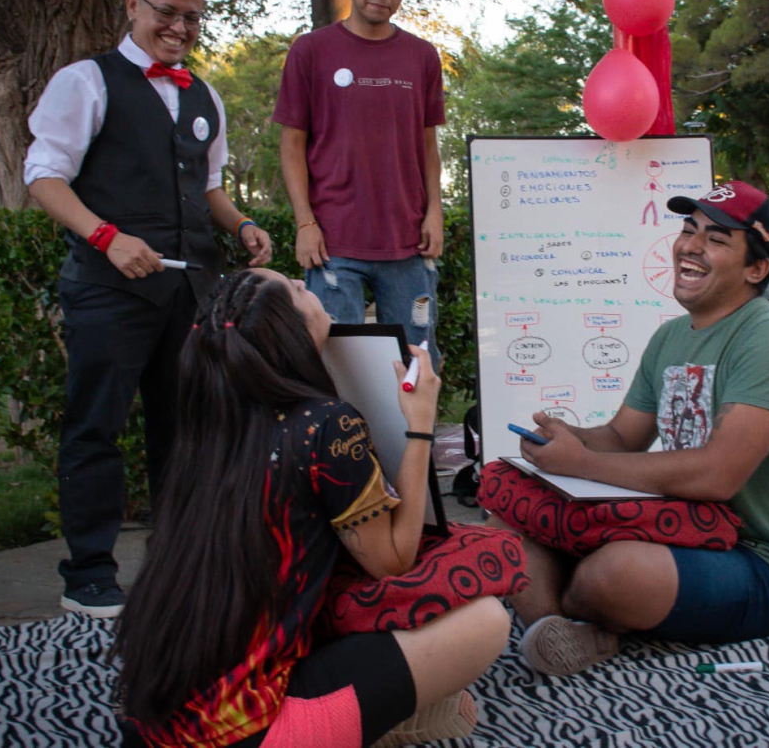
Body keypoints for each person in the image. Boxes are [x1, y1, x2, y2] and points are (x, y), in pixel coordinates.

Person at [113, 269, 509, 748]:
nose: (308, 287)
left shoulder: (209, 422)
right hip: (249, 733)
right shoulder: (323, 425)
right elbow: (393, 560)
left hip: (152, 722)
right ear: (290, 330)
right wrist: (420, 423)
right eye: (298, 289)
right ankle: (370, 726)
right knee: (487, 620)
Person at [492, 181, 769, 676]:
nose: (691, 247)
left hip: (766, 565)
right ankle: (558, 631)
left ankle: (580, 605)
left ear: (756, 269)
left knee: (613, 573)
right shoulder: (670, 336)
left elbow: (717, 475)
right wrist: (567, 437)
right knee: (506, 522)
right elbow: (620, 439)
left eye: (717, 239)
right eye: (688, 230)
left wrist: (582, 463)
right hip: (683, 533)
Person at [23, 0, 272, 618]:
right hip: (107, 290)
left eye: (192, 18)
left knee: (185, 432)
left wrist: (243, 224)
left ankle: (177, 566)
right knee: (95, 428)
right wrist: (105, 236)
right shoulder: (85, 81)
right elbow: (43, 176)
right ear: (133, 5)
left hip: (189, 293)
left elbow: (209, 188)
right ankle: (88, 574)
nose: (179, 29)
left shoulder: (204, 95)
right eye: (167, 12)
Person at [273, 0, 445, 370]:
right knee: (335, 364)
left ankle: (411, 421)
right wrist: (305, 223)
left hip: (407, 241)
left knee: (417, 361)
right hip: (333, 242)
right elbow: (292, 144)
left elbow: (427, 144)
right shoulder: (310, 50)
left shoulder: (422, 57)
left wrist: (434, 211)